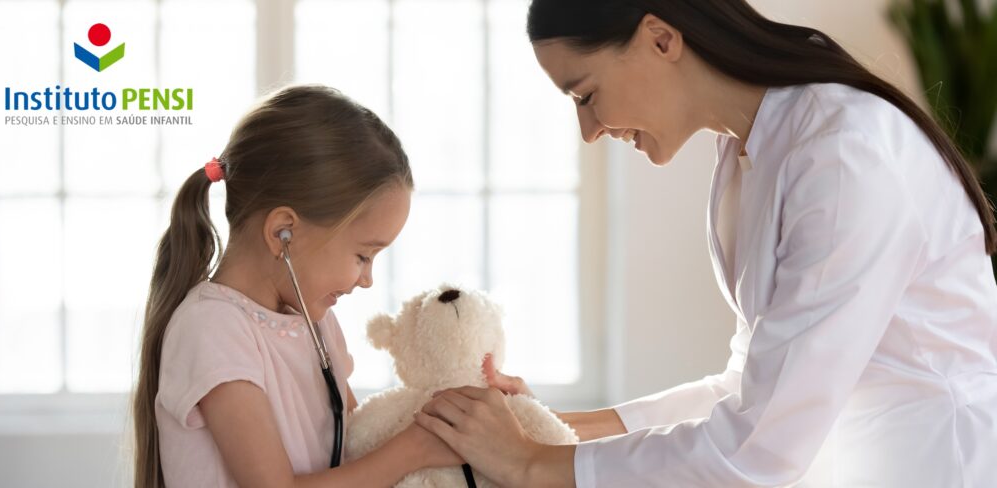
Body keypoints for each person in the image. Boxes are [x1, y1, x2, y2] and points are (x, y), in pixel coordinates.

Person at [417, 1, 997, 486]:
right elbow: (748, 385)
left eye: (585, 94)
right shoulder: (747, 151)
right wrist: (550, 427)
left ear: (661, 39)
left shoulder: (845, 152)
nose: (589, 131)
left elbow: (759, 445)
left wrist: (529, 463)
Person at [132, 85, 461, 487]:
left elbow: (360, 446)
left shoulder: (314, 323)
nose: (367, 279)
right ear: (283, 232)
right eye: (362, 255)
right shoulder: (212, 328)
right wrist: (416, 448)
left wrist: (445, 412)